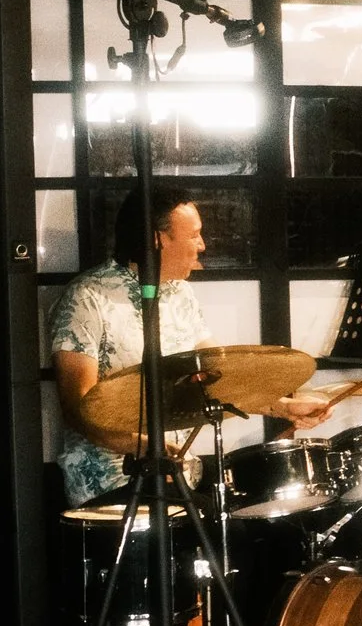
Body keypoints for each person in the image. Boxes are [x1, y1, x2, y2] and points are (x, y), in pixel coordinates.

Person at [48, 187, 326, 507]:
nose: (202, 245)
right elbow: (78, 410)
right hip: (111, 484)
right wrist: (147, 448)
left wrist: (284, 407)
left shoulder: (181, 294)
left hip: (178, 477)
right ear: (158, 239)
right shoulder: (87, 298)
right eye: (194, 235)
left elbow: (222, 380)